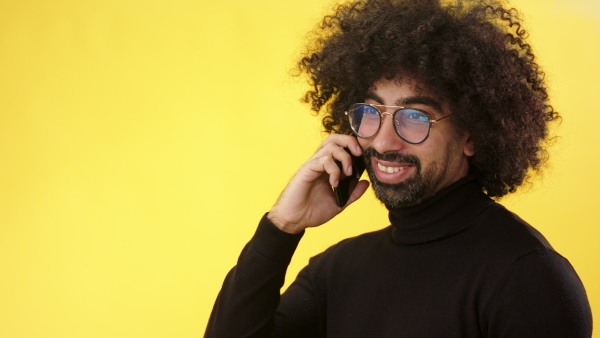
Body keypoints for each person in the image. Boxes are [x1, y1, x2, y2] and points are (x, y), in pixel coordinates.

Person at [205, 0, 593, 336]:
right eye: (370, 113)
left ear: (471, 135)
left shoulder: (527, 278)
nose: (384, 142)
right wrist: (281, 228)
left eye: (414, 117)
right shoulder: (337, 271)